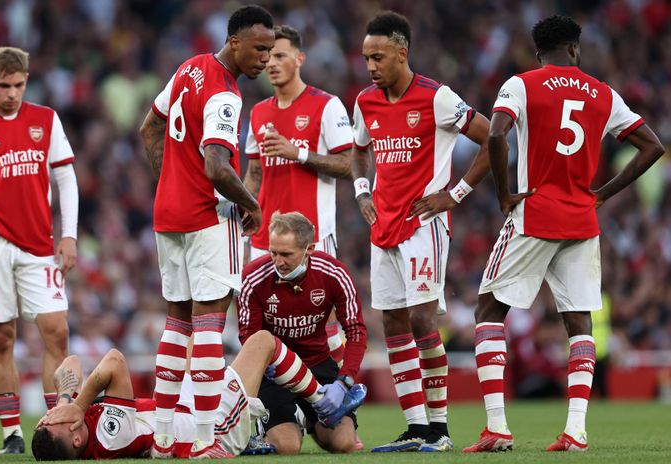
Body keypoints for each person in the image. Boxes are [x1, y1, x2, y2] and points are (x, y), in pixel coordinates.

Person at [464, 15, 665, 453]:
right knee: (579, 321)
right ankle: (576, 431)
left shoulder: (521, 84)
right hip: (582, 219)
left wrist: (503, 194)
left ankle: (497, 426)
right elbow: (653, 146)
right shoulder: (603, 93)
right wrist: (603, 194)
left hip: (534, 212)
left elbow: (496, 134)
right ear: (575, 48)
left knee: (487, 312)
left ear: (539, 53)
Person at [350, 11, 492, 452]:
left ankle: (441, 427)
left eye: (378, 57)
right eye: (366, 58)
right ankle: (416, 427)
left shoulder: (437, 97)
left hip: (423, 224)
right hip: (383, 224)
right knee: (392, 321)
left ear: (401, 52)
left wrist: (457, 193)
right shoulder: (365, 102)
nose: (370, 66)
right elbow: (358, 151)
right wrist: (361, 191)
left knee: (422, 318)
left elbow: (493, 136)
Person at [137, 4, 274, 458]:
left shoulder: (189, 67)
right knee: (210, 325)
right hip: (205, 218)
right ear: (234, 42)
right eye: (258, 49)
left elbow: (148, 127)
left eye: (270, 50)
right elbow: (217, 167)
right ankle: (203, 439)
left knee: (176, 324)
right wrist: (251, 202)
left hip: (167, 214)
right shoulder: (225, 94)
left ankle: (161, 438)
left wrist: (170, 181)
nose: (264, 59)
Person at [0, 46, 79, 454]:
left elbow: (66, 179)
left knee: (57, 332)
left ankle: (52, 423)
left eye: (19, 85)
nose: (12, 94)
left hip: (40, 244)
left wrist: (70, 234)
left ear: (27, 80)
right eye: (3, 85)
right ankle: (12, 434)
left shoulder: (45, 120)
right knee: (2, 337)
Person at [31, 330, 366, 460]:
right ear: (76, 441)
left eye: (45, 420)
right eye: (55, 423)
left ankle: (279, 409)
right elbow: (115, 362)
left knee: (194, 342)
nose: (54, 418)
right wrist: (77, 404)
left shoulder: (73, 419)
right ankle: (324, 402)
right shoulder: (107, 437)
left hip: (184, 409)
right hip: (211, 430)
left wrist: (65, 403)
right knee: (262, 343)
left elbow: (69, 364)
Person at [242, 25, 354, 366]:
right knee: (266, 328)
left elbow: (348, 165)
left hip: (312, 235)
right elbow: (255, 172)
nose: (271, 63)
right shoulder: (259, 112)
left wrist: (299, 154)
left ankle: (330, 398)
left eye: (279, 55)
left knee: (324, 323)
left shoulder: (327, 106)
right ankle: (276, 409)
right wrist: (244, 208)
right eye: (266, 56)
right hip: (264, 239)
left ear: (299, 58)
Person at [238, 212, 367, 454]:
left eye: (286, 254)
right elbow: (249, 338)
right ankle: (271, 424)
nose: (277, 261)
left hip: (318, 367)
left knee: (344, 444)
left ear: (309, 249)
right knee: (287, 448)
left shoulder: (334, 273)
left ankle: (307, 418)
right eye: (273, 252)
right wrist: (267, 366)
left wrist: (344, 381)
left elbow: (356, 331)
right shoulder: (253, 277)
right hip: (274, 375)